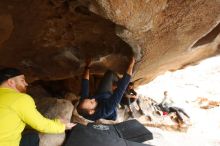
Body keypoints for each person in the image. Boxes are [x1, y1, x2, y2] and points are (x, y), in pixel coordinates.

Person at [0, 68, 76, 146]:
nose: (26, 83)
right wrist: (63, 126)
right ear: (11, 82)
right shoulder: (20, 98)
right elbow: (41, 125)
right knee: (33, 136)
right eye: (22, 80)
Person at [77, 57, 135, 121]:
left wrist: (87, 66)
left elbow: (85, 83)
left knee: (109, 74)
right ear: (91, 111)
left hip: (101, 96)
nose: (92, 99)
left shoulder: (83, 106)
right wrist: (131, 65)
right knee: (118, 82)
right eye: (91, 102)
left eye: (89, 99)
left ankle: (114, 85)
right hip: (107, 102)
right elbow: (121, 89)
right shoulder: (107, 109)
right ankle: (116, 86)